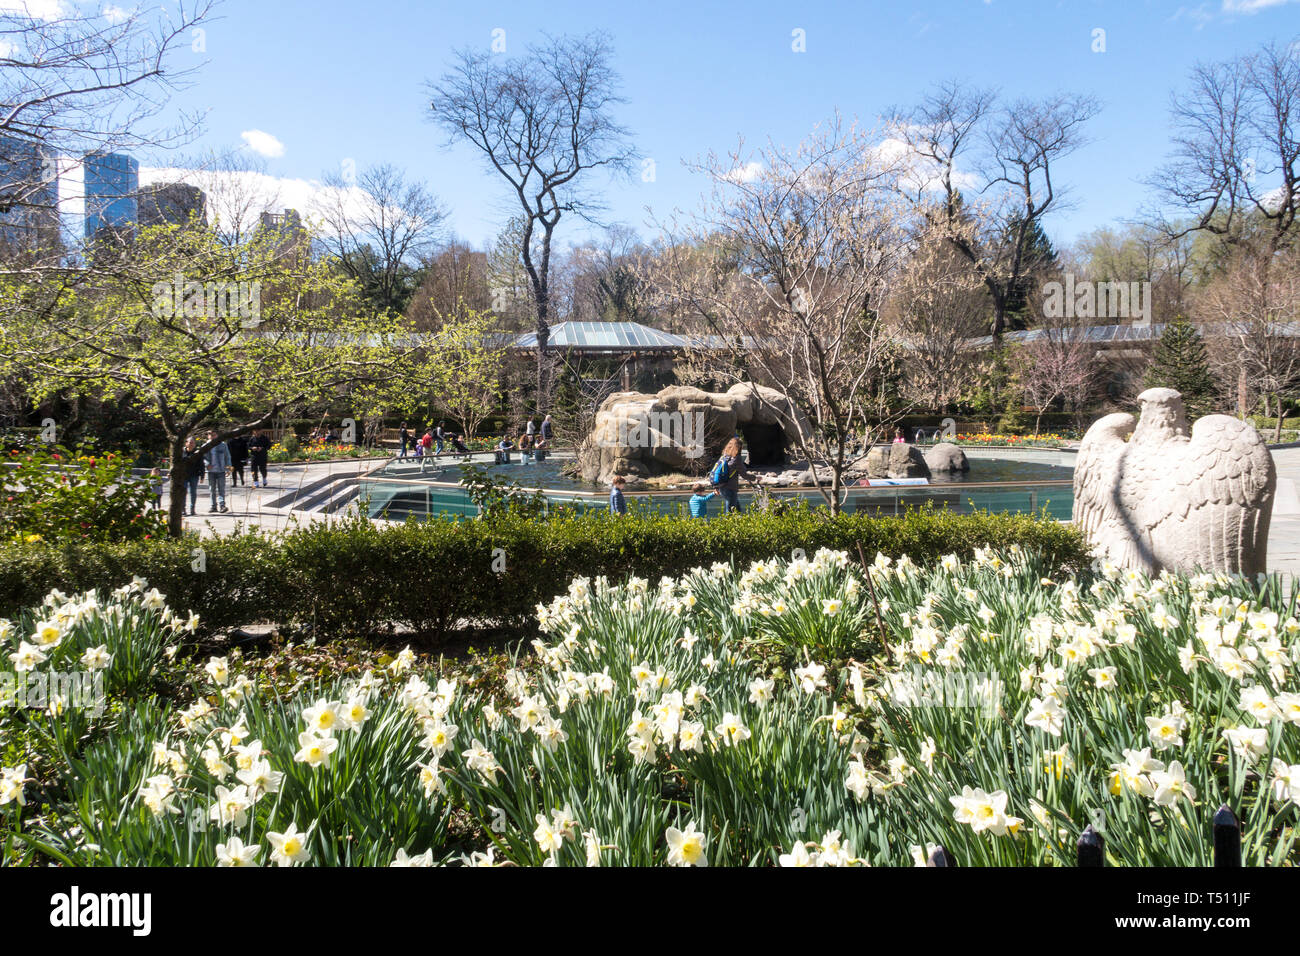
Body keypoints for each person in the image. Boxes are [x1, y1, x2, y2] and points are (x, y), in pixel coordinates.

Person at [711, 437, 752, 515]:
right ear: (739, 447)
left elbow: (716, 472)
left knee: (737, 511)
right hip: (730, 489)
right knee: (730, 513)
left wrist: (716, 487)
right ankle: (727, 527)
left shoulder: (724, 456)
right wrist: (755, 477)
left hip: (722, 487)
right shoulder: (737, 459)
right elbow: (744, 474)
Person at [204, 429, 231, 514]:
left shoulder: (223, 445)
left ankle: (222, 505)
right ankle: (213, 506)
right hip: (210, 471)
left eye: (214, 435)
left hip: (221, 470)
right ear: (208, 436)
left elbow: (227, 456)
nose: (212, 436)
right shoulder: (206, 445)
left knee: (221, 489)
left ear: (217, 435)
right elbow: (202, 458)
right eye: (210, 435)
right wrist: (207, 464)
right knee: (212, 489)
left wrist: (228, 468)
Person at [179, 437, 203, 516]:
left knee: (193, 493)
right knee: (183, 492)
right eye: (190, 442)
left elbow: (201, 465)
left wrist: (202, 476)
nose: (191, 444)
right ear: (186, 443)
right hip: (184, 475)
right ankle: (183, 509)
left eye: (193, 443)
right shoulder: (182, 452)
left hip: (194, 475)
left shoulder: (197, 453)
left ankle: (192, 509)